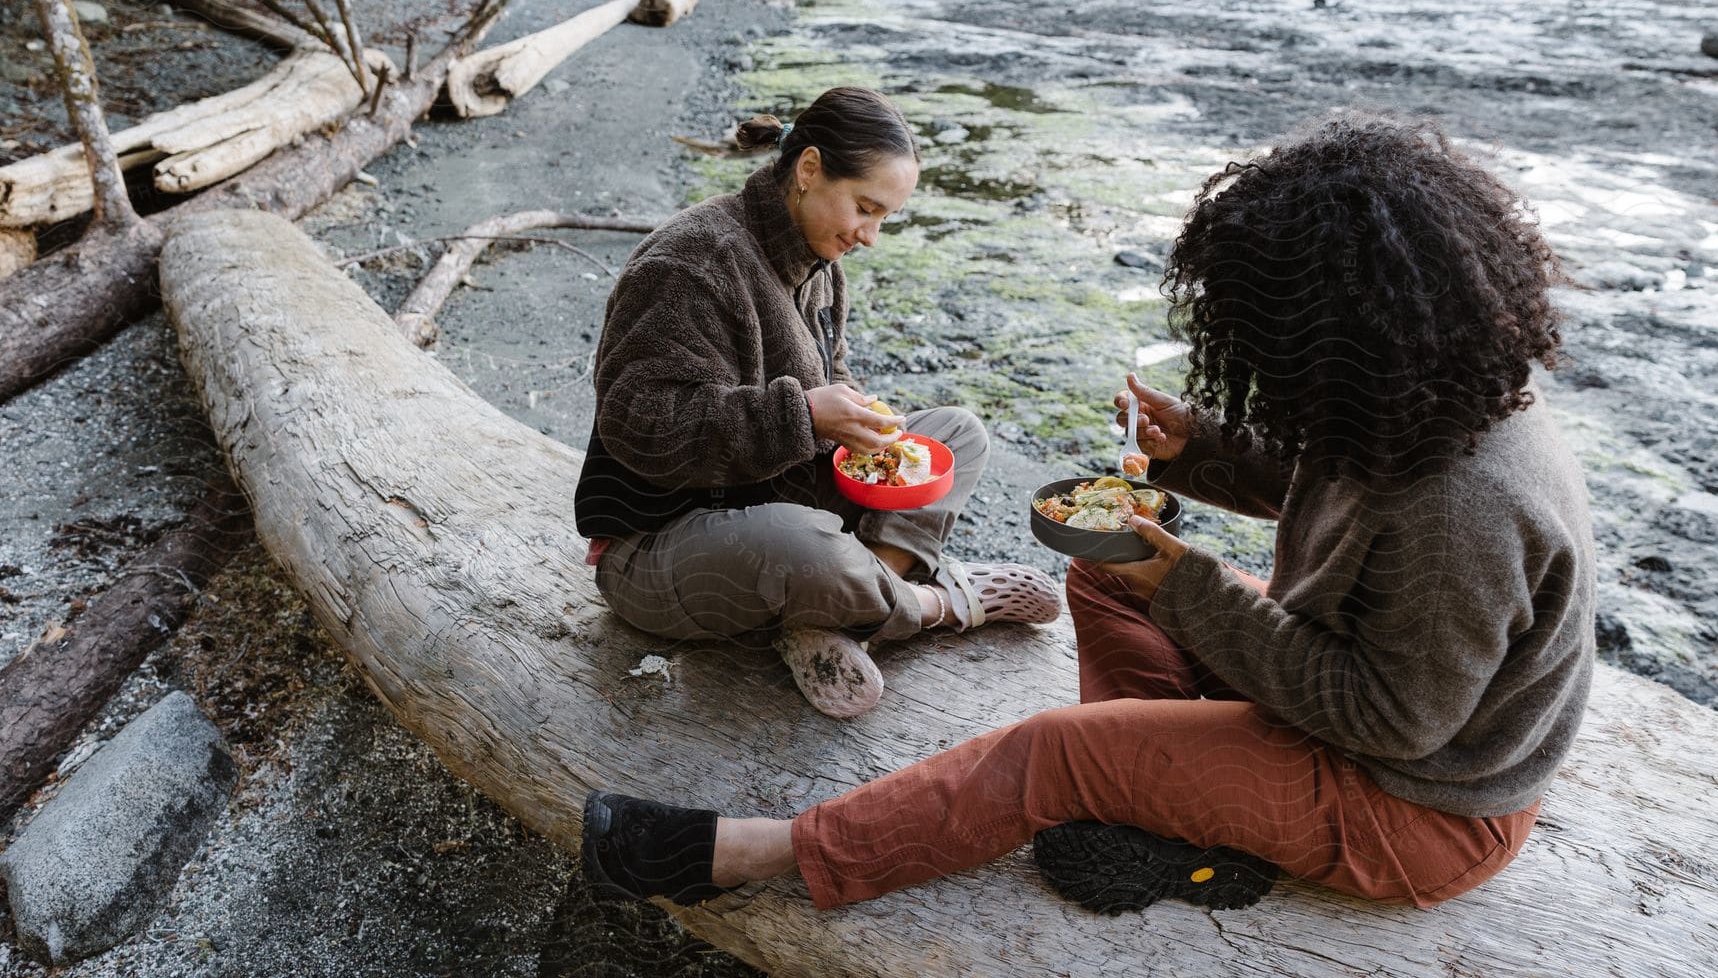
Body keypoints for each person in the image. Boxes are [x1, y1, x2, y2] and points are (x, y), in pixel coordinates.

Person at [577, 111, 1597, 916]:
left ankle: (759, 854)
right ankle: (1156, 794)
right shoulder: (1420, 389)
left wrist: (1189, 586)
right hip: (1356, 709)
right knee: (1106, 568)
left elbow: (1390, 723)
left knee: (1054, 752)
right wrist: (1191, 446)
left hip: (1413, 806)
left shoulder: (1473, 504)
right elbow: (1312, 478)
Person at [574, 86, 1059, 720]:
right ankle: (939, 604)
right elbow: (636, 424)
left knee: (956, 434)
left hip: (770, 496)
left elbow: (829, 382)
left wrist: (854, 422)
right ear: (808, 170)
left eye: (884, 217)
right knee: (798, 540)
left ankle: (839, 617)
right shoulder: (687, 265)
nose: (872, 236)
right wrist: (802, 416)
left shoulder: (819, 262)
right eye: (865, 208)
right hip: (661, 545)